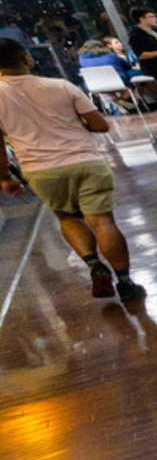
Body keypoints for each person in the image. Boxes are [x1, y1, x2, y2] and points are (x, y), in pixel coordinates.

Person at [0, 37, 143, 302]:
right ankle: (125, 281)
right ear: (26, 58)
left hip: (41, 169)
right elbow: (100, 125)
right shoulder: (61, 86)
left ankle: (94, 265)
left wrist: (5, 177)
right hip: (85, 161)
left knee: (67, 218)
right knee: (103, 221)